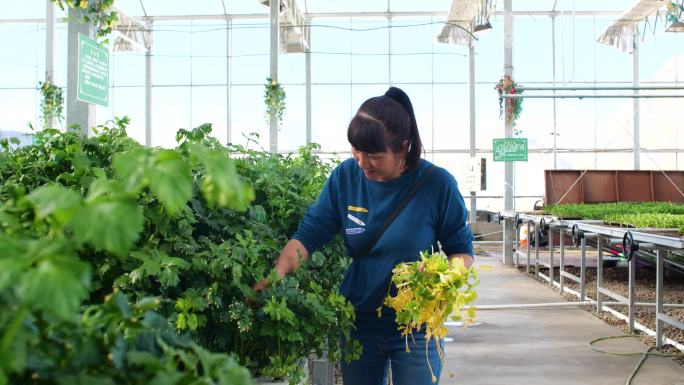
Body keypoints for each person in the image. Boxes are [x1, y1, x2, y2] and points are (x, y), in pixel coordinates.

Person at [257, 86, 474, 385]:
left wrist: (442, 275)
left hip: (416, 324)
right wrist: (277, 273)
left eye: (373, 155)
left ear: (403, 147)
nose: (362, 163)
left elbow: (462, 251)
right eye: (356, 152)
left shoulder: (437, 185)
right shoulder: (346, 177)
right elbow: (310, 234)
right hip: (358, 321)